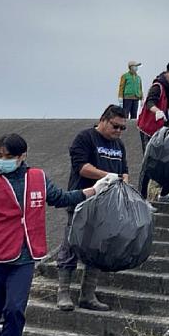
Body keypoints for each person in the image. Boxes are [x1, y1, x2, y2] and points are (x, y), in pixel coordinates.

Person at [0, 133, 118, 336]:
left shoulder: (38, 178)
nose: (3, 160)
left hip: (24, 258)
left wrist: (94, 189)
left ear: (22, 156)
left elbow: (61, 198)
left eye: (8, 156)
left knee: (14, 310)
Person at [57, 105, 130, 312]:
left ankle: (88, 295)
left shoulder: (119, 145)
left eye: (122, 128)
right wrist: (107, 176)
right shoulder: (85, 138)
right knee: (70, 245)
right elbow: (82, 167)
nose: (118, 131)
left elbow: (124, 170)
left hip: (107, 206)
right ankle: (63, 292)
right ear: (103, 120)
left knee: (98, 249)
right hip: (82, 200)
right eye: (115, 126)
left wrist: (123, 181)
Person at [137, 61, 169, 204]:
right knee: (149, 164)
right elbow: (150, 102)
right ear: (166, 73)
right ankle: (142, 199)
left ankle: (164, 194)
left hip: (162, 130)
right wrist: (157, 111)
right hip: (148, 129)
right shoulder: (158, 86)